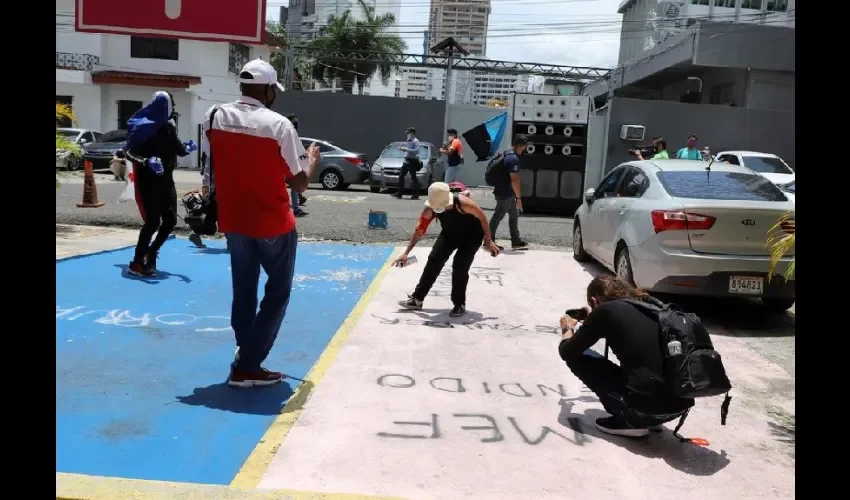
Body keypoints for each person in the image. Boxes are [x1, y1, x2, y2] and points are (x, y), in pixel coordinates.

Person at [203, 58, 320, 388]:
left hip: (234, 220)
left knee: (244, 291)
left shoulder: (214, 116)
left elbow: (209, 165)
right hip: (272, 222)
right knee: (277, 293)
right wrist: (311, 161)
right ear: (267, 89)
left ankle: (245, 353)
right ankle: (249, 366)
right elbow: (299, 184)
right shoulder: (279, 125)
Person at [557, 276, 694, 437]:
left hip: (644, 410)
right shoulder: (652, 306)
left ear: (594, 301)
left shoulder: (604, 311)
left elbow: (567, 351)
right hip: (680, 405)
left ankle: (631, 421)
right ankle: (652, 417)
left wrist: (567, 329)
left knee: (576, 357)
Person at [395, 182, 501, 317]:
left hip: (472, 235)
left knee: (460, 265)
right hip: (450, 234)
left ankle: (459, 304)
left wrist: (488, 240)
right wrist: (406, 253)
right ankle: (417, 299)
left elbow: (482, 218)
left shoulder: (463, 202)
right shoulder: (429, 208)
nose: (440, 209)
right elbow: (419, 230)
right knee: (434, 259)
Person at [124, 91, 196, 276]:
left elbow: (178, 148)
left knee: (170, 220)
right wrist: (146, 161)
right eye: (171, 104)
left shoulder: (169, 127)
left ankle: (152, 251)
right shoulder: (144, 127)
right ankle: (137, 263)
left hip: (166, 181)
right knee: (153, 222)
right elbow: (129, 152)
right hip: (149, 182)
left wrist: (187, 149)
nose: (173, 108)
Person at [488, 135, 529, 250]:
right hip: (504, 192)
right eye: (524, 147)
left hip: (507, 192)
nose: (524, 150)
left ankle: (516, 241)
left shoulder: (508, 153)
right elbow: (515, 180)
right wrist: (519, 198)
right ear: (520, 146)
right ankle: (488, 241)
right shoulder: (513, 159)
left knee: (514, 214)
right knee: (498, 215)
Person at [285, 114, 308, 217]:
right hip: (285, 163)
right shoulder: (287, 132)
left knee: (294, 185)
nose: (297, 123)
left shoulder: (291, 133)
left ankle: (296, 208)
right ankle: (294, 208)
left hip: (290, 163)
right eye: (295, 121)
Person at [395, 127, 422, 200]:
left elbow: (416, 151)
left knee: (413, 177)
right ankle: (399, 193)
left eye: (408, 133)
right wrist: (403, 149)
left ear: (412, 133)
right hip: (406, 161)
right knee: (401, 176)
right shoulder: (408, 140)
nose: (407, 134)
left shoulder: (415, 141)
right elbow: (408, 150)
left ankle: (416, 194)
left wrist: (406, 149)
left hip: (412, 161)